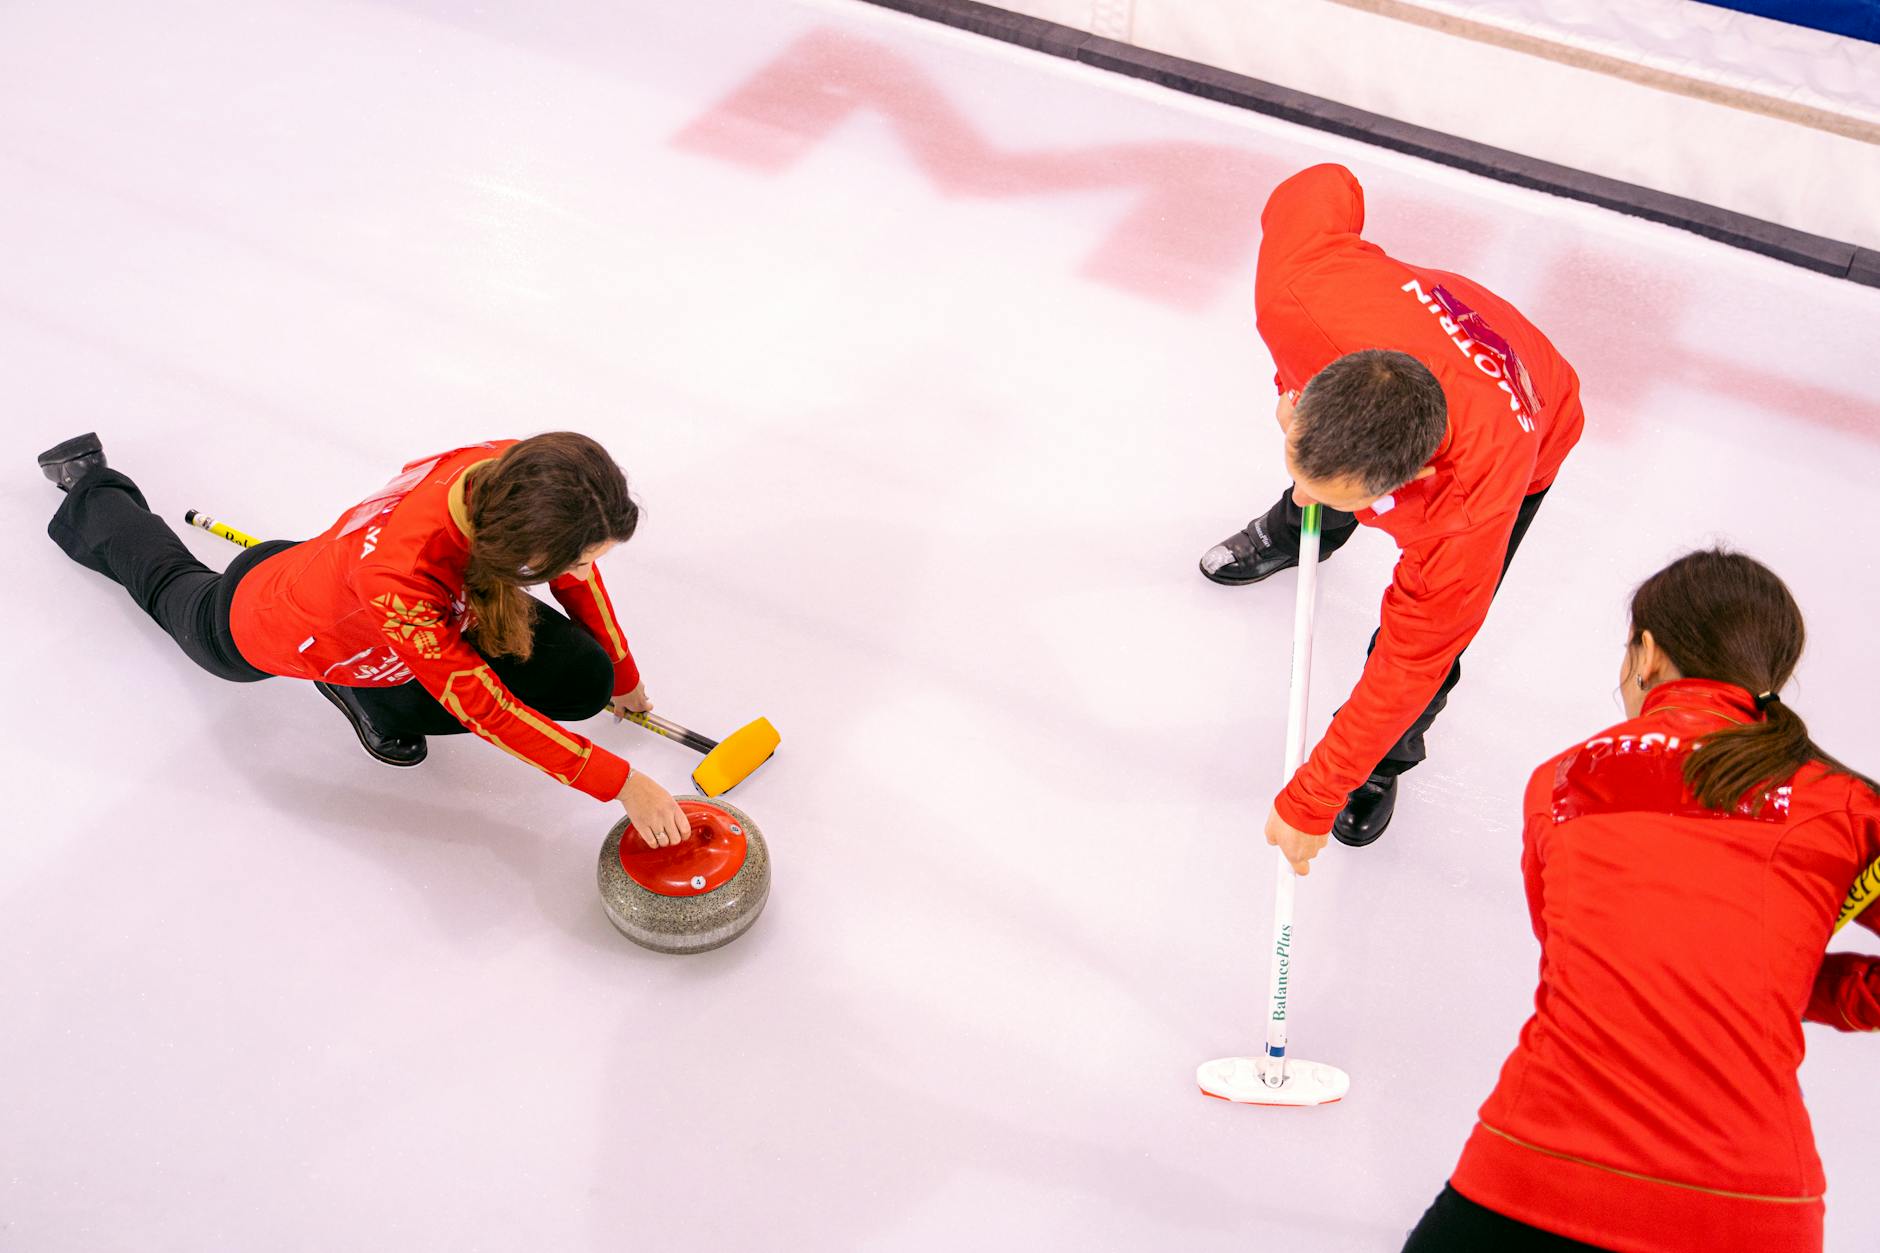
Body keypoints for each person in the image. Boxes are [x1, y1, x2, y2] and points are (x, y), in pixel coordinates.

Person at [1403, 550, 1880, 1253]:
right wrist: (1806, 984)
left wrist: (1775, 974)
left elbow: (1575, 950)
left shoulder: (1561, 779)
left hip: (1536, 1169)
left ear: (1647, 653)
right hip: (1748, 1208)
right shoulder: (1844, 804)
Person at [39, 430, 692, 847]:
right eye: (574, 559)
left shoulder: (515, 473)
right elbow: (485, 708)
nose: (581, 573)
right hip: (267, 619)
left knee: (587, 679)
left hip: (347, 578)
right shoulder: (403, 584)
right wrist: (622, 782)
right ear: (515, 551)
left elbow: (573, 574)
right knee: (168, 581)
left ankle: (371, 675)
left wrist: (626, 674)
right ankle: (90, 487)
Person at [1200, 163, 1584, 862]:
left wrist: (1316, 793)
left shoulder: (1467, 511)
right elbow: (1322, 182)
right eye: (1294, 448)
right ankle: (1293, 532)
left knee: (1432, 651)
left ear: (1408, 484)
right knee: (1319, 474)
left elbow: (1409, 664)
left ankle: (1384, 763)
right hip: (1397, 347)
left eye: (1337, 494)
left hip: (1534, 406)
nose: (1311, 484)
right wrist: (1304, 445)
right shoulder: (1298, 293)